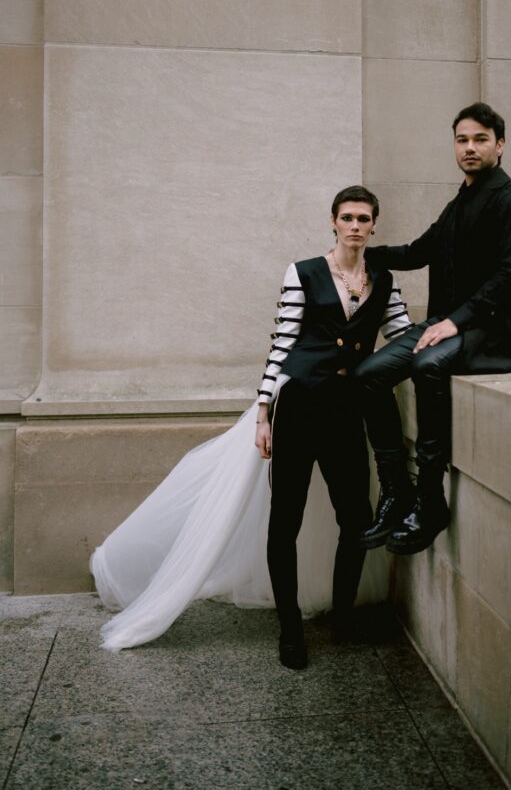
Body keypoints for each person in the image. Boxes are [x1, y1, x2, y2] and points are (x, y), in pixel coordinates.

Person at [91, 185, 412, 669]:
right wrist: (263, 413)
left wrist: (441, 341)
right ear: (333, 222)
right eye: (347, 217)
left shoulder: (383, 280)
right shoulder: (303, 272)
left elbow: (402, 334)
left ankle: (343, 617)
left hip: (349, 411)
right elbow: (282, 343)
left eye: (363, 219)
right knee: (286, 519)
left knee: (356, 518)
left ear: (373, 226)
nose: (355, 226)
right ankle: (290, 629)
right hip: (299, 407)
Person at [357, 102, 511, 556]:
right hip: (450, 323)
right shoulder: (458, 203)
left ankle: (430, 499)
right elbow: (418, 252)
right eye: (462, 140)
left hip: (496, 329)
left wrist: (455, 322)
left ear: (500, 144)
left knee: (428, 365)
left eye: (480, 139)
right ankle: (397, 491)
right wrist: (358, 254)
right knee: (368, 375)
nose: (470, 148)